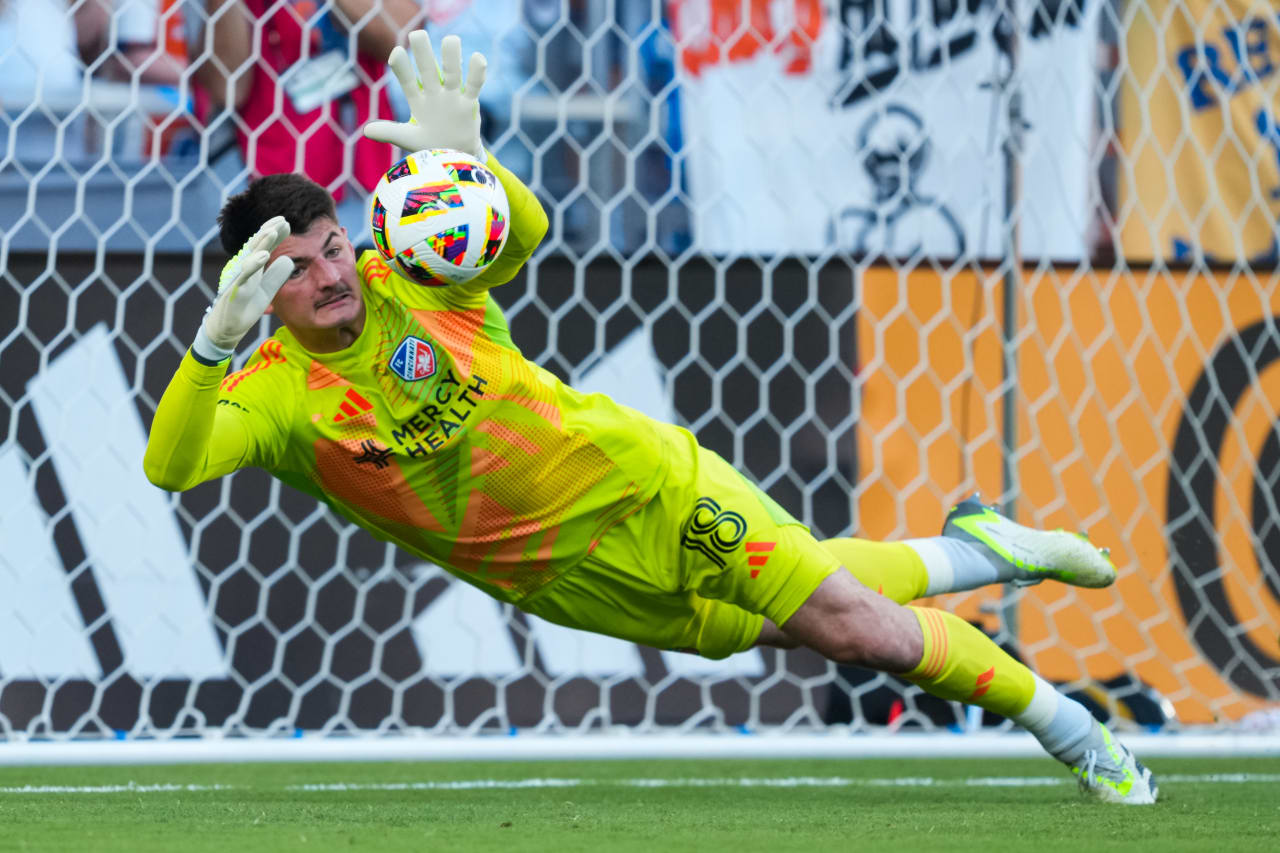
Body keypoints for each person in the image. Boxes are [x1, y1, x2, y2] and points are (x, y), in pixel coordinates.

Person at [144, 30, 1158, 805]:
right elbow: (170, 466)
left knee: (858, 630)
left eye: (331, 244)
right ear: (257, 289)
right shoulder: (270, 391)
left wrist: (472, 166)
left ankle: (1076, 735)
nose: (331, 274)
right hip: (571, 582)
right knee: (805, 616)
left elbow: (519, 236)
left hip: (642, 480)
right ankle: (976, 548)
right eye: (299, 267)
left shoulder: (408, 271)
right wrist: (210, 348)